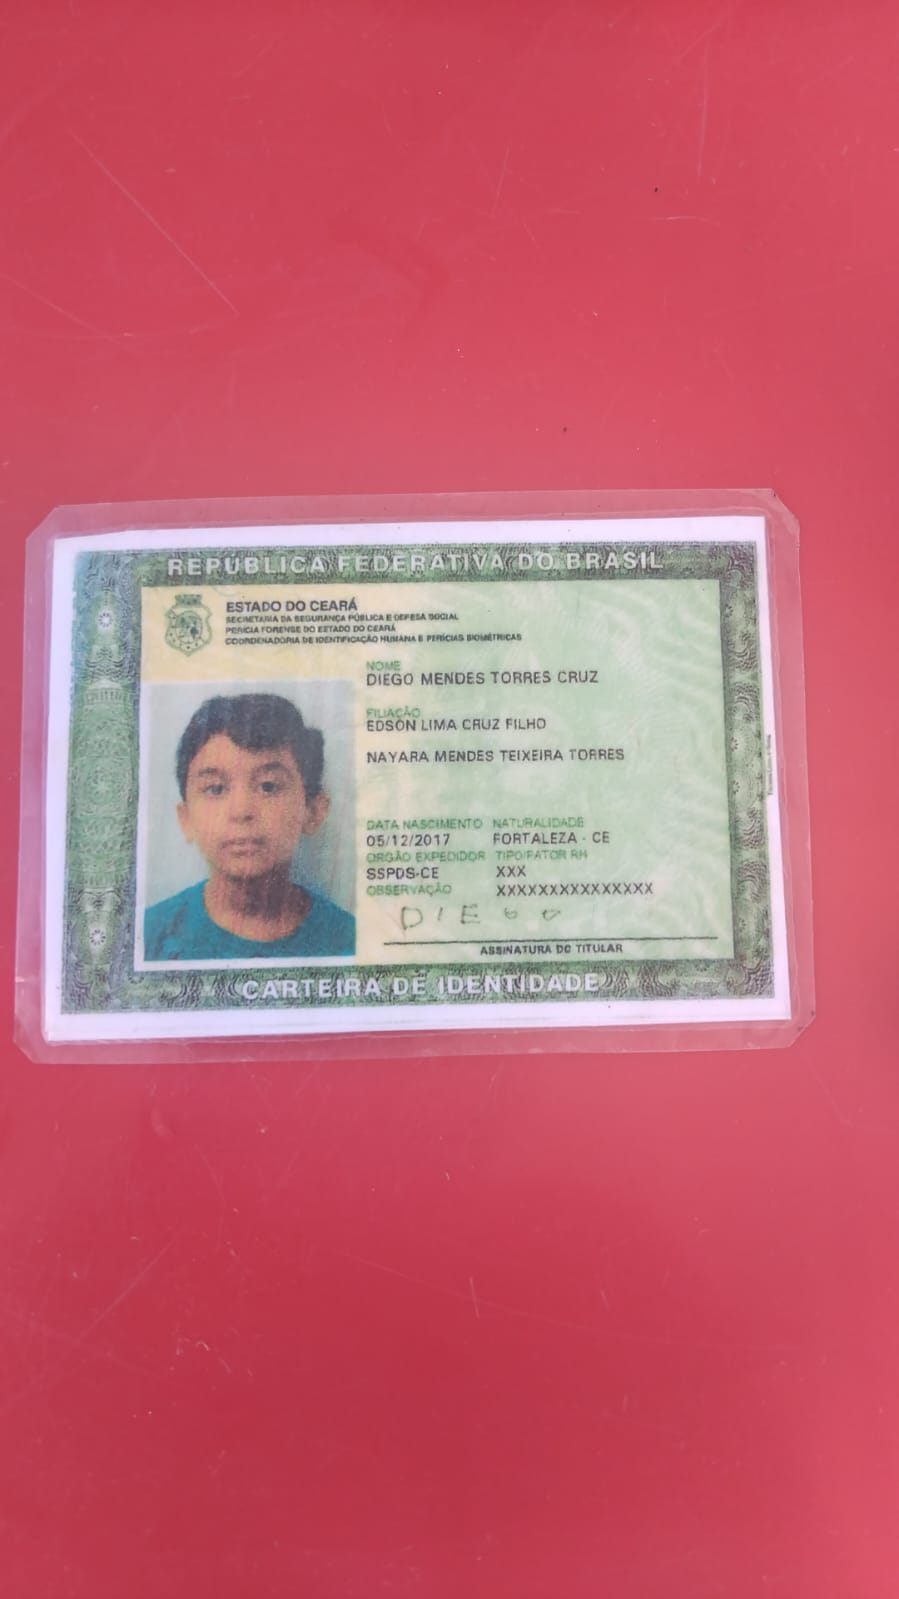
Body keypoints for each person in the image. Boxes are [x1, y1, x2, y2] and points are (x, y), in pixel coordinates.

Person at [144, 693, 355, 960]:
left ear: (312, 811)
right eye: (215, 789)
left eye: (268, 786)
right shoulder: (148, 937)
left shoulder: (352, 941)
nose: (241, 811)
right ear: (186, 820)